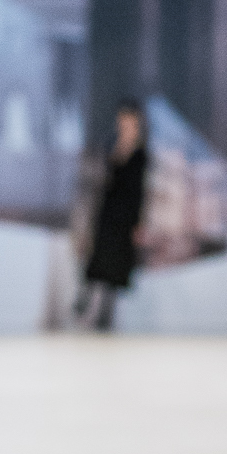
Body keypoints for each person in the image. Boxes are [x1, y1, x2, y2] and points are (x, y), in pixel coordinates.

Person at [77, 101, 148, 330]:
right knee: (98, 258)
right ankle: (84, 301)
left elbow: (139, 191)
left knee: (117, 265)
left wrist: (138, 223)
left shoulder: (140, 153)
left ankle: (105, 314)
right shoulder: (110, 145)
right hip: (107, 211)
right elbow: (99, 179)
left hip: (126, 217)